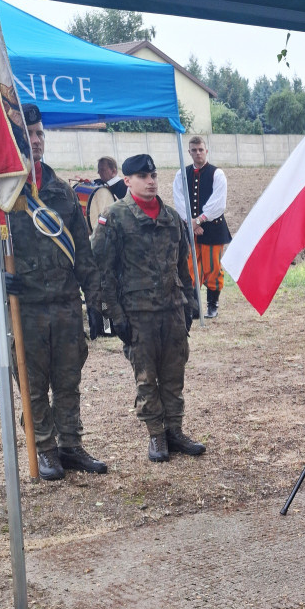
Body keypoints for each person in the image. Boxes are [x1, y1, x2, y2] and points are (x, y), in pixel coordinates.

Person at [7, 103, 107, 480]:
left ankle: (70, 444)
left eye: (39, 134)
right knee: (33, 384)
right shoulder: (4, 193)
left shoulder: (62, 191)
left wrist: (96, 301)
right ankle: (45, 448)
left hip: (65, 306)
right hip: (27, 306)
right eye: (27, 135)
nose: (35, 141)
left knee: (68, 380)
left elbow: (83, 252)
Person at [94, 154, 205, 463]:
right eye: (143, 176)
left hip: (172, 311)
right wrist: (115, 316)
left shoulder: (172, 218)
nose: (151, 180)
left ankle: (175, 431)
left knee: (173, 375)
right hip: (137, 314)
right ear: (127, 181)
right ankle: (156, 435)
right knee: (146, 378)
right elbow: (102, 271)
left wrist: (191, 305)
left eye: (154, 174)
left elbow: (183, 267)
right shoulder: (114, 218)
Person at [172, 136, 232, 318]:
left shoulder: (217, 174)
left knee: (212, 267)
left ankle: (212, 305)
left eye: (200, 149)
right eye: (194, 150)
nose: (197, 153)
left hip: (212, 228)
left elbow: (218, 203)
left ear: (206, 151)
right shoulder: (181, 174)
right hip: (190, 228)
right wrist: (190, 221)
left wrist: (199, 220)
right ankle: (194, 306)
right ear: (189, 152)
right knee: (190, 268)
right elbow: (179, 199)